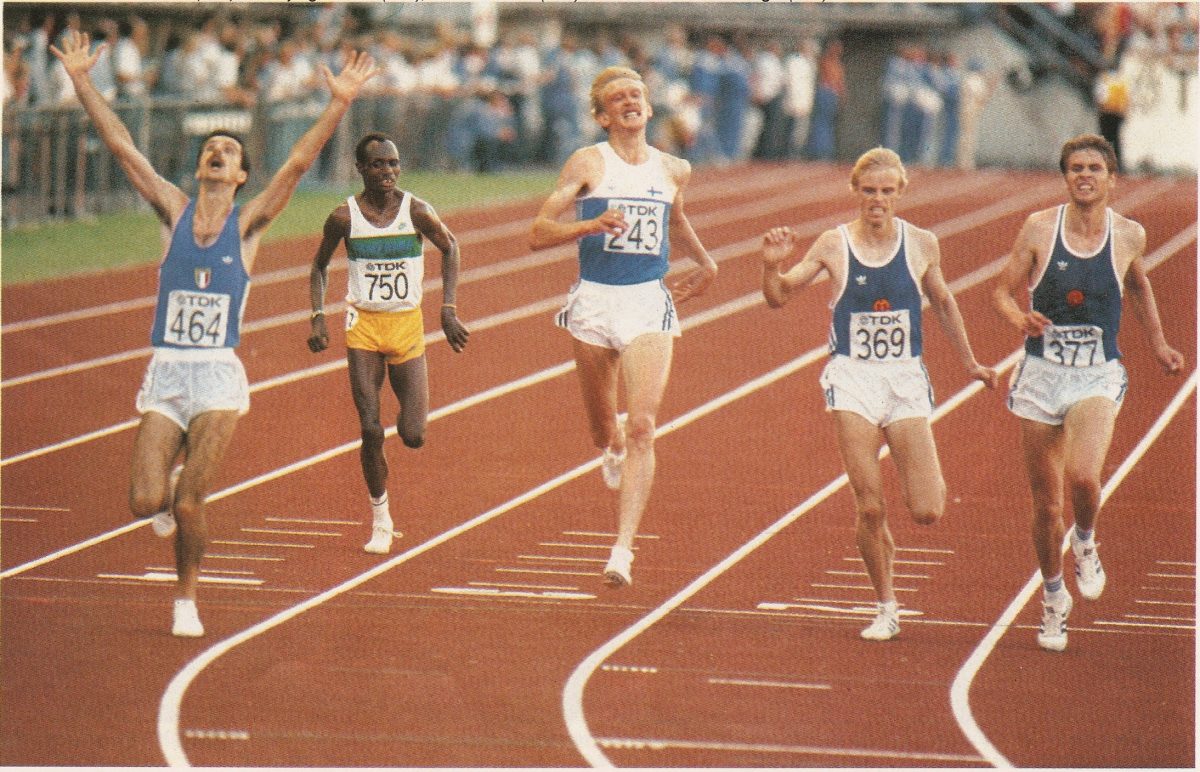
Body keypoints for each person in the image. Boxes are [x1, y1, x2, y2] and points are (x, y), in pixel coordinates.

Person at [50, 29, 377, 638]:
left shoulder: (247, 225)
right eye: (210, 148)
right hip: (167, 370)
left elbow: (297, 164)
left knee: (188, 503)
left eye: (228, 149)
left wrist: (338, 103)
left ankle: (186, 598)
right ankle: (170, 489)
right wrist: (81, 80)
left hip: (218, 377)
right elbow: (123, 148)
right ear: (201, 167)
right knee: (145, 502)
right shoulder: (173, 211)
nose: (217, 153)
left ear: (241, 174)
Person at [760, 147, 997, 640]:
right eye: (869, 191)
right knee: (869, 505)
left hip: (904, 378)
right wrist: (770, 267)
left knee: (928, 509)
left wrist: (970, 362)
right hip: (852, 379)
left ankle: (891, 582)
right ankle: (886, 604)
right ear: (856, 192)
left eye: (887, 191)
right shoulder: (834, 243)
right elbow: (779, 296)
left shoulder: (922, 243)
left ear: (900, 193)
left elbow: (944, 302)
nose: (877, 200)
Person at [993, 133, 1183, 652]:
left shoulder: (1128, 234)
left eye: (1094, 168)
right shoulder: (1039, 228)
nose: (1084, 176)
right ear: (1065, 176)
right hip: (1041, 374)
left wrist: (1159, 344)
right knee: (1045, 505)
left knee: (1082, 475)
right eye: (1075, 168)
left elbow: (1137, 284)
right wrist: (1019, 317)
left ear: (1111, 179)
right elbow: (1001, 291)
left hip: (1096, 373)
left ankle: (1085, 540)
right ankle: (1054, 599)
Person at [529, 65, 718, 588]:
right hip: (594, 303)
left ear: (649, 108)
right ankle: (608, 446)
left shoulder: (674, 168)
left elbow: (675, 220)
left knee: (642, 426)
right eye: (618, 98)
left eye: (637, 94)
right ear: (602, 115)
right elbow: (538, 232)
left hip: (647, 302)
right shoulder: (588, 162)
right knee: (603, 429)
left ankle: (622, 550)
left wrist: (706, 262)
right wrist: (591, 223)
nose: (631, 102)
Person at [307, 132, 469, 555]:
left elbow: (450, 246)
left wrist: (448, 308)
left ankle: (402, 422)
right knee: (369, 427)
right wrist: (318, 316)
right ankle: (381, 519)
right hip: (363, 326)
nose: (388, 171)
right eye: (378, 164)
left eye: (393, 163)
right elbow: (318, 267)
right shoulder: (343, 218)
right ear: (361, 168)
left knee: (413, 434)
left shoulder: (416, 211)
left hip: (405, 325)